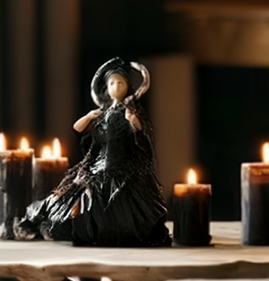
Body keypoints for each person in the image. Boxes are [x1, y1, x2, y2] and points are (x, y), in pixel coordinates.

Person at [18, 59, 170, 247]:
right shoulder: (101, 114)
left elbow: (142, 134)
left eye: (120, 82)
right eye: (112, 83)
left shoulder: (131, 112)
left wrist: (132, 121)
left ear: (127, 87)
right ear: (106, 87)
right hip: (98, 167)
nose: (116, 86)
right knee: (72, 205)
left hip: (125, 170)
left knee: (124, 212)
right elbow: (77, 128)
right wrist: (89, 116)